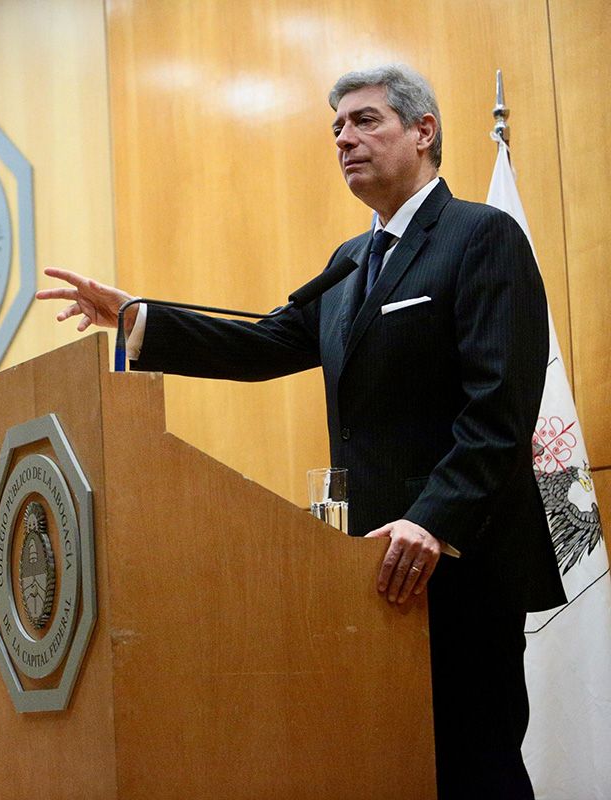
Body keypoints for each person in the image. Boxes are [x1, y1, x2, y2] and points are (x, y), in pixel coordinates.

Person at [36, 64, 564, 799]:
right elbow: (264, 344)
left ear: (424, 131)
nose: (345, 138)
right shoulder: (352, 261)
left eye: (365, 120)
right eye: (336, 128)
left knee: (475, 770)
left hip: (459, 564)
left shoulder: (482, 236)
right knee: (398, 770)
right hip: (367, 573)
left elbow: (500, 409)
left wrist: (431, 522)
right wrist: (137, 316)